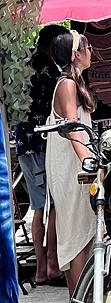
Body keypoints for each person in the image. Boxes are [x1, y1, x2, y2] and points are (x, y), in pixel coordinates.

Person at [46, 30, 96, 303]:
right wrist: (89, 162)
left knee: (83, 234)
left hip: (74, 165)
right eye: (86, 46)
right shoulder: (66, 84)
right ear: (76, 54)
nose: (91, 50)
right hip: (71, 169)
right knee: (77, 238)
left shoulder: (74, 82)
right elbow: (72, 129)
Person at [14, 24, 67, 285]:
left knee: (38, 207)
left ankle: (42, 268)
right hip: (40, 146)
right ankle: (50, 265)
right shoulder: (49, 72)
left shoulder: (24, 66)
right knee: (52, 205)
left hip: (24, 144)